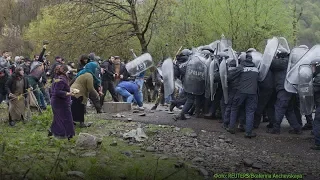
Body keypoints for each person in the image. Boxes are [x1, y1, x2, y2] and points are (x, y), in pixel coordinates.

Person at [70, 62, 100, 128]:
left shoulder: (83, 73)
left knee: (74, 108)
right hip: (78, 92)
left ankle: (72, 122)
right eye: (95, 68)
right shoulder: (89, 75)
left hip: (73, 90)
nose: (96, 70)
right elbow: (90, 88)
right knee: (80, 108)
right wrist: (97, 94)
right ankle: (81, 123)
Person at [49, 64, 75, 139]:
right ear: (65, 71)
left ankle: (54, 132)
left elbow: (63, 88)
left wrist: (70, 90)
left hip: (61, 101)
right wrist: (68, 93)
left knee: (60, 117)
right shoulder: (61, 79)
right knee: (64, 118)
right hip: (59, 102)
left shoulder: (61, 78)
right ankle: (62, 135)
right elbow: (57, 91)